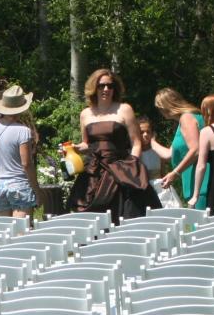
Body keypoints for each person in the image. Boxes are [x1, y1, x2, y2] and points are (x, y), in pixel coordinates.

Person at [68, 68, 160, 222]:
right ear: (94, 88)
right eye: (101, 85)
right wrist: (74, 149)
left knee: (128, 214)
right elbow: (86, 144)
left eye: (110, 86)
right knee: (90, 217)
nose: (106, 89)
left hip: (121, 169)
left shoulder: (125, 109)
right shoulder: (85, 113)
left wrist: (132, 165)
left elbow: (136, 143)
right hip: (94, 170)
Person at [0, 84, 40, 218]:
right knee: (20, 233)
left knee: (2, 232)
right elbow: (26, 164)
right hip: (19, 185)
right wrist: (37, 190)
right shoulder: (23, 131)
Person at [155, 87, 208, 210]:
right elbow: (169, 154)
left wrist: (175, 173)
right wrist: (150, 142)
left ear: (167, 106)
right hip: (194, 183)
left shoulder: (187, 118)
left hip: (200, 183)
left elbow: (196, 149)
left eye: (160, 108)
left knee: (201, 225)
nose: (160, 111)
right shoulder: (188, 119)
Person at [139, 116, 183, 208]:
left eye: (148, 132)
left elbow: (162, 172)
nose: (145, 135)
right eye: (142, 132)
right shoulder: (133, 153)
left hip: (160, 190)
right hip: (142, 190)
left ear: (152, 133)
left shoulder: (158, 151)